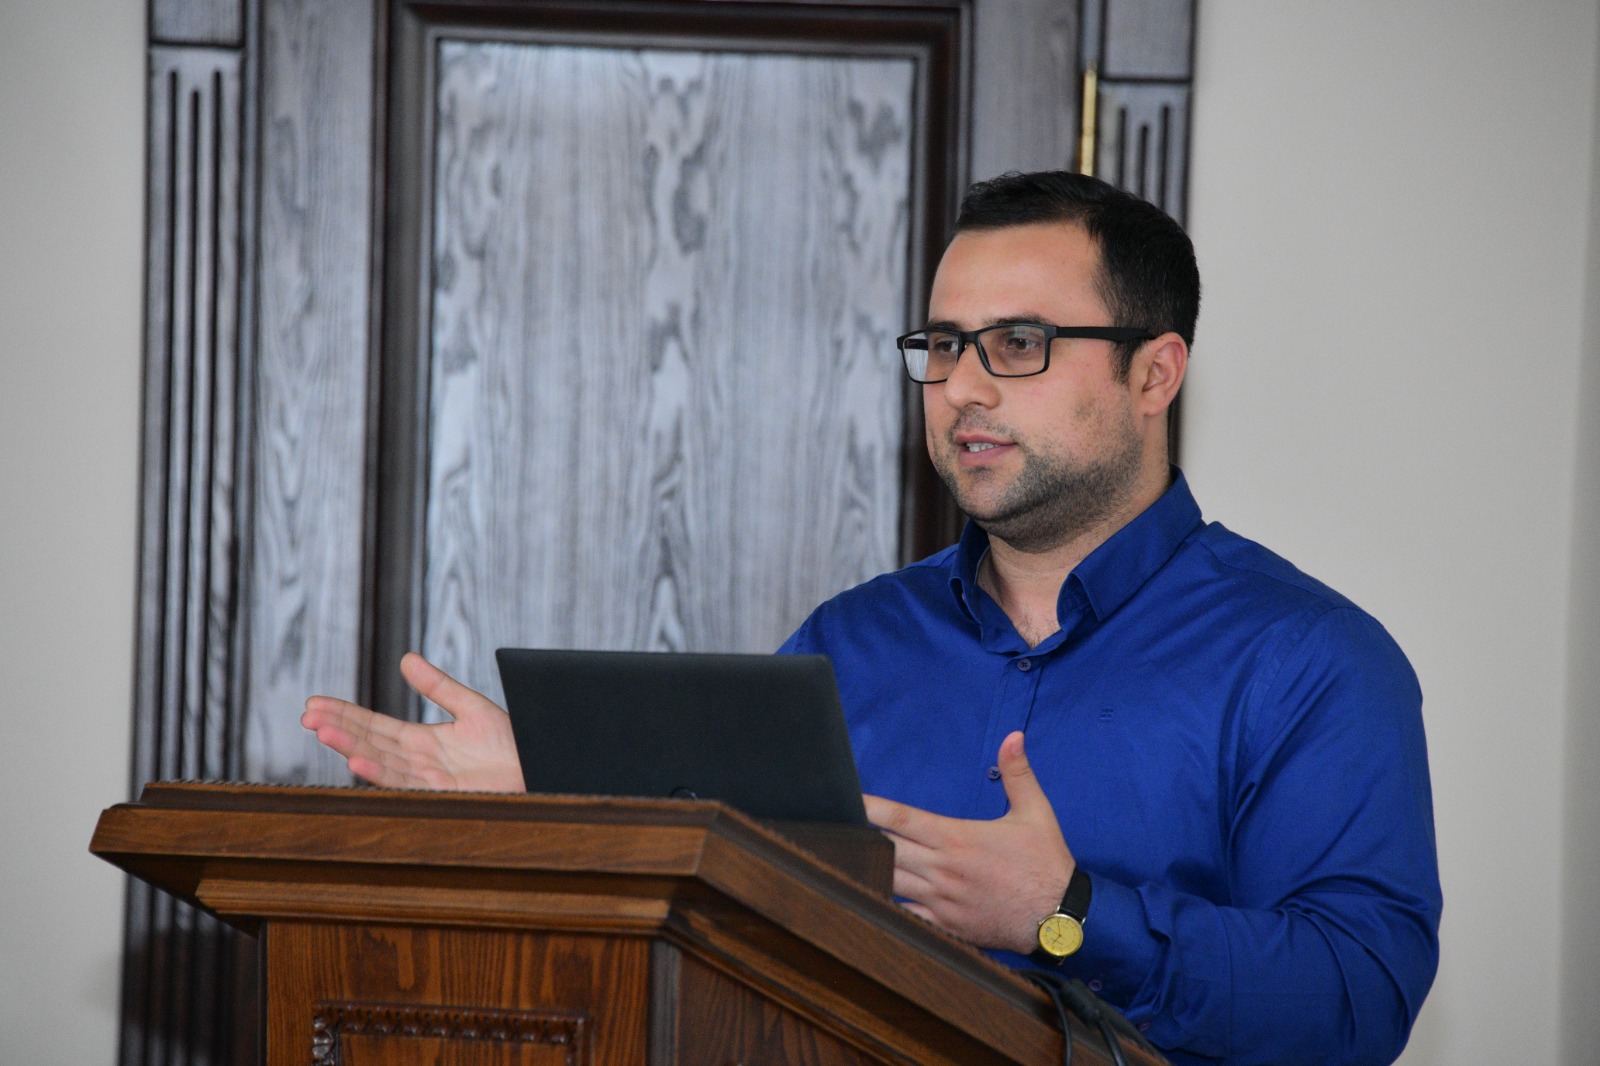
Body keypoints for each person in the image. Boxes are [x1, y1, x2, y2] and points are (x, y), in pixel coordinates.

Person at [303, 171, 1441, 1066]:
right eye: (943, 346)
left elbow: (1359, 997)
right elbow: (738, 880)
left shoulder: (1310, 660)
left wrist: (1063, 915)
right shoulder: (850, 645)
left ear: (1154, 373)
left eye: (1019, 345)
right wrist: (565, 787)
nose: (964, 388)